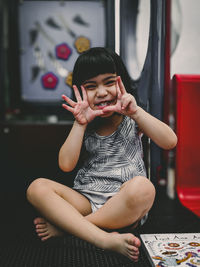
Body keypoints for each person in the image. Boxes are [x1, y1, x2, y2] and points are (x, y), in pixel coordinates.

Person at [26, 47, 177, 262]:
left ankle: (71, 228)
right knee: (37, 187)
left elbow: (170, 141)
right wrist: (79, 124)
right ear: (80, 92)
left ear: (122, 83)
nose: (102, 92)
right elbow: (66, 165)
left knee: (144, 188)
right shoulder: (85, 123)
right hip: (86, 199)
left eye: (109, 82)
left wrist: (136, 112)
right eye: (91, 86)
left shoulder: (132, 118)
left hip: (123, 204)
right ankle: (104, 239)